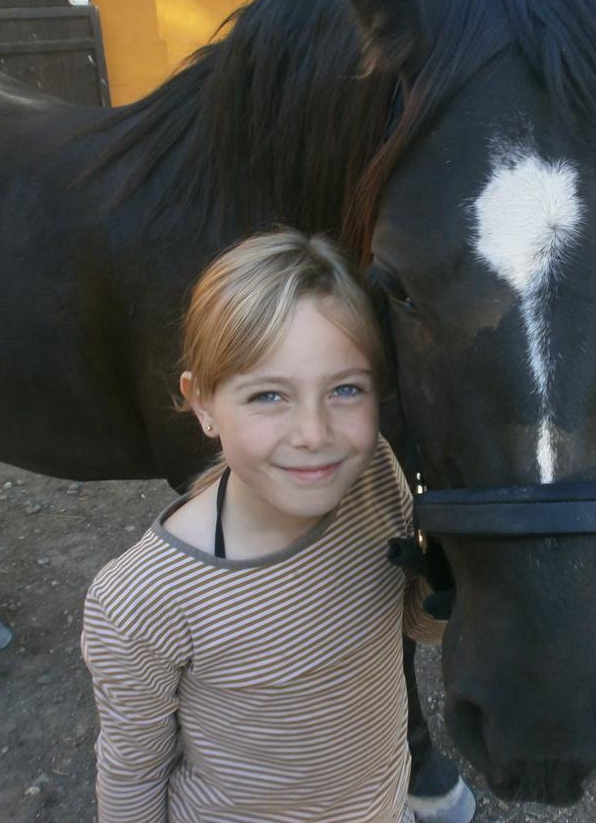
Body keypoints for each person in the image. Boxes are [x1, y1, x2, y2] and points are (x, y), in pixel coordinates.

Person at [81, 230, 445, 823]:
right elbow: (131, 773)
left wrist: (446, 578)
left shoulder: (376, 471)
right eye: (269, 395)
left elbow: (413, 625)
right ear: (201, 403)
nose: (313, 433)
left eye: (346, 389)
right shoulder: (141, 600)